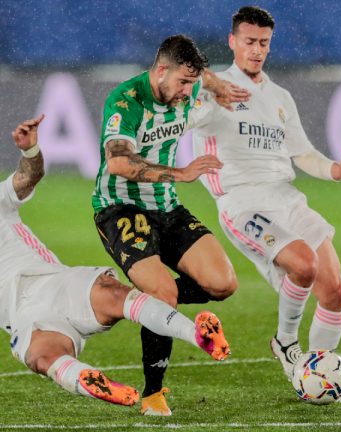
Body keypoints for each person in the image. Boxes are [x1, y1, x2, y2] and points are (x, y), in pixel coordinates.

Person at [0, 115, 231, 419]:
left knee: (115, 295)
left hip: (56, 284)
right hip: (25, 320)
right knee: (41, 357)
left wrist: (30, 152)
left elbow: (28, 178)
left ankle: (198, 335)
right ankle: (88, 379)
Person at [189, 6, 341, 386]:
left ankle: (320, 376)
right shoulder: (214, 91)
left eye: (264, 43)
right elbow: (179, 89)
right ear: (232, 42)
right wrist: (207, 84)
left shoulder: (279, 97)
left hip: (287, 199)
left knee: (335, 290)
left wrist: (336, 171)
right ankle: (286, 342)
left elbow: (302, 153)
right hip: (243, 203)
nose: (256, 50)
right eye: (249, 42)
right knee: (304, 265)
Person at [92, 34, 249, 416]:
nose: (187, 92)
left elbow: (202, 79)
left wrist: (218, 86)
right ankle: (153, 394)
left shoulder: (190, 87)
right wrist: (180, 173)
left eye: (192, 83)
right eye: (181, 82)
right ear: (160, 70)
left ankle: (139, 301)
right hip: (121, 208)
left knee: (223, 283)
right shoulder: (125, 101)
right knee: (165, 294)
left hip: (166, 206)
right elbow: (119, 164)